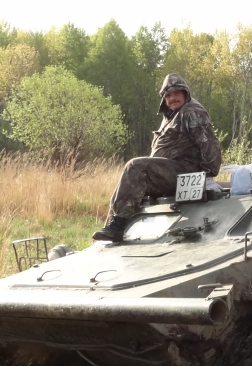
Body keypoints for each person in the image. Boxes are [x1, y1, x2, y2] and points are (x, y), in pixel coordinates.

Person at [92, 74, 222, 242]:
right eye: (168, 95)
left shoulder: (192, 112)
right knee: (121, 192)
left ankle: (117, 225)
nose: (172, 98)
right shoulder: (172, 115)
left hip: (186, 171)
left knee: (136, 166)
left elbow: (209, 143)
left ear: (185, 93)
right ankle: (110, 231)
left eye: (176, 93)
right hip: (171, 172)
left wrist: (207, 174)